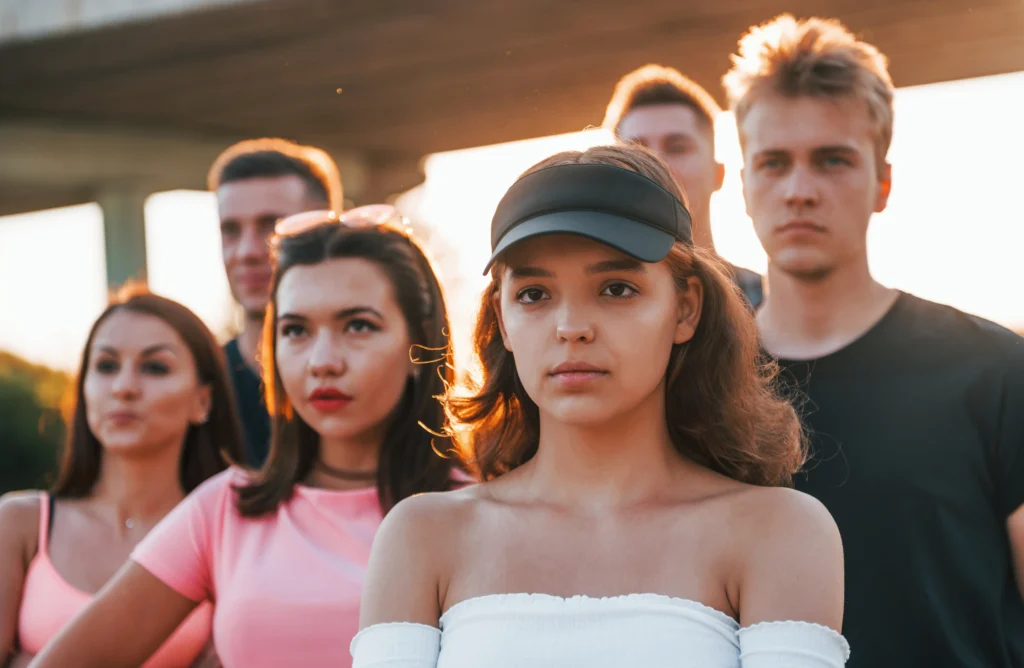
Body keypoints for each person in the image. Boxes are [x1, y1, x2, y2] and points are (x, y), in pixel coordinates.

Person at [351, 145, 850, 667]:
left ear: (686, 308)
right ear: (501, 318)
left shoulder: (777, 530)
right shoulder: (421, 535)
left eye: (616, 288)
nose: (571, 327)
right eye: (534, 294)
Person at [29, 205, 465, 668]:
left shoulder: (480, 511)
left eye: (358, 325)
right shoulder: (222, 512)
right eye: (295, 330)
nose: (322, 361)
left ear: (422, 345)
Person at [723, 14, 1024, 667]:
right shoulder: (699, 386)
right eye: (774, 163)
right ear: (743, 184)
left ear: (882, 183)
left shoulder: (994, 370)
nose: (800, 190)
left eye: (832, 160)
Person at [0, 286, 243, 668]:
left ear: (203, 401)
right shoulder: (21, 523)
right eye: (106, 366)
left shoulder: (229, 534)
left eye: (154, 367)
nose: (123, 387)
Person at [209, 138, 344, 467]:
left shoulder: (373, 379)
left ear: (327, 231)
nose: (247, 252)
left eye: (271, 227)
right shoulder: (198, 385)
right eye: (230, 230)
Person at [604, 65, 764, 309]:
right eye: (636, 149)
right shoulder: (589, 313)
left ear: (718, 174)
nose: (655, 163)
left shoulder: (765, 302)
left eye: (677, 147)